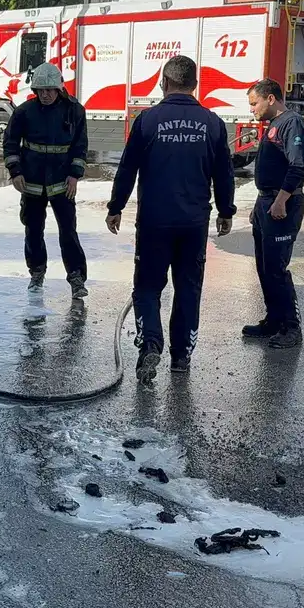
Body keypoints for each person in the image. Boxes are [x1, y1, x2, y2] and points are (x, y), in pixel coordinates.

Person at [106, 55, 236, 382]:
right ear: (194, 84)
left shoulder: (148, 121)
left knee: (148, 287)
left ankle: (150, 342)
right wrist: (225, 211)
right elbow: (224, 174)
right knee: (188, 289)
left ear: (164, 82)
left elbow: (127, 169)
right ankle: (181, 357)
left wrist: (116, 206)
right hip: (194, 223)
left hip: (154, 223)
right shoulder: (212, 123)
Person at [3, 62, 89, 298]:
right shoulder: (23, 112)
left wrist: (74, 175)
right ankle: (37, 272)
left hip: (62, 183)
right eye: (41, 90)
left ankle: (76, 278)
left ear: (59, 89)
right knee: (33, 230)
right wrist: (15, 171)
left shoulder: (74, 111)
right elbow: (10, 143)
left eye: (50, 90)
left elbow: (80, 147)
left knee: (68, 231)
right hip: (31, 181)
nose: (45, 94)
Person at [240, 77, 304, 350]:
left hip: (283, 204)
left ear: (271, 98)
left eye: (254, 103)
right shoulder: (273, 125)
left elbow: (297, 167)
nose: (252, 109)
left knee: (277, 269)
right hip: (266, 203)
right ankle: (274, 319)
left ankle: (291, 328)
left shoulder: (292, 123)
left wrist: (280, 201)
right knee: (265, 267)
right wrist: (260, 207)